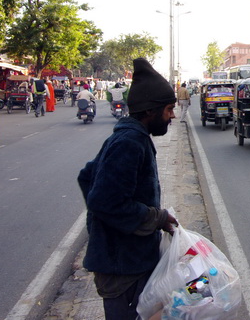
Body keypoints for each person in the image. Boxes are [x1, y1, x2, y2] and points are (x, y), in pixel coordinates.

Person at [78, 58, 178, 319]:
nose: (172, 116)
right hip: (122, 268)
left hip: (128, 260)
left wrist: (104, 225)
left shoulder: (133, 137)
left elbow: (87, 177)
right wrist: (156, 217)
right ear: (149, 111)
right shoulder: (129, 143)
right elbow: (106, 201)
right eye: (169, 109)